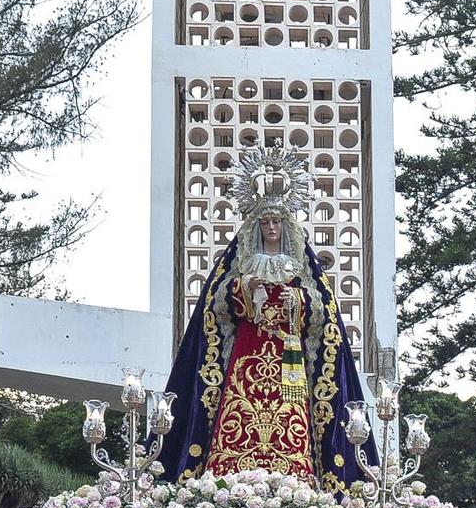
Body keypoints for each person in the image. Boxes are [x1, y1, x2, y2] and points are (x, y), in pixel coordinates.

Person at [153, 148, 376, 487]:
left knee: (291, 415)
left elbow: (325, 317)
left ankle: (293, 482)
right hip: (247, 350)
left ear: (286, 227)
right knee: (241, 409)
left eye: (277, 222)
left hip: (289, 357)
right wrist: (243, 291)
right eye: (266, 222)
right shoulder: (241, 263)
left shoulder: (301, 267)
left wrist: (298, 300)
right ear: (256, 227)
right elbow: (214, 310)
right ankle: (229, 480)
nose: (271, 228)